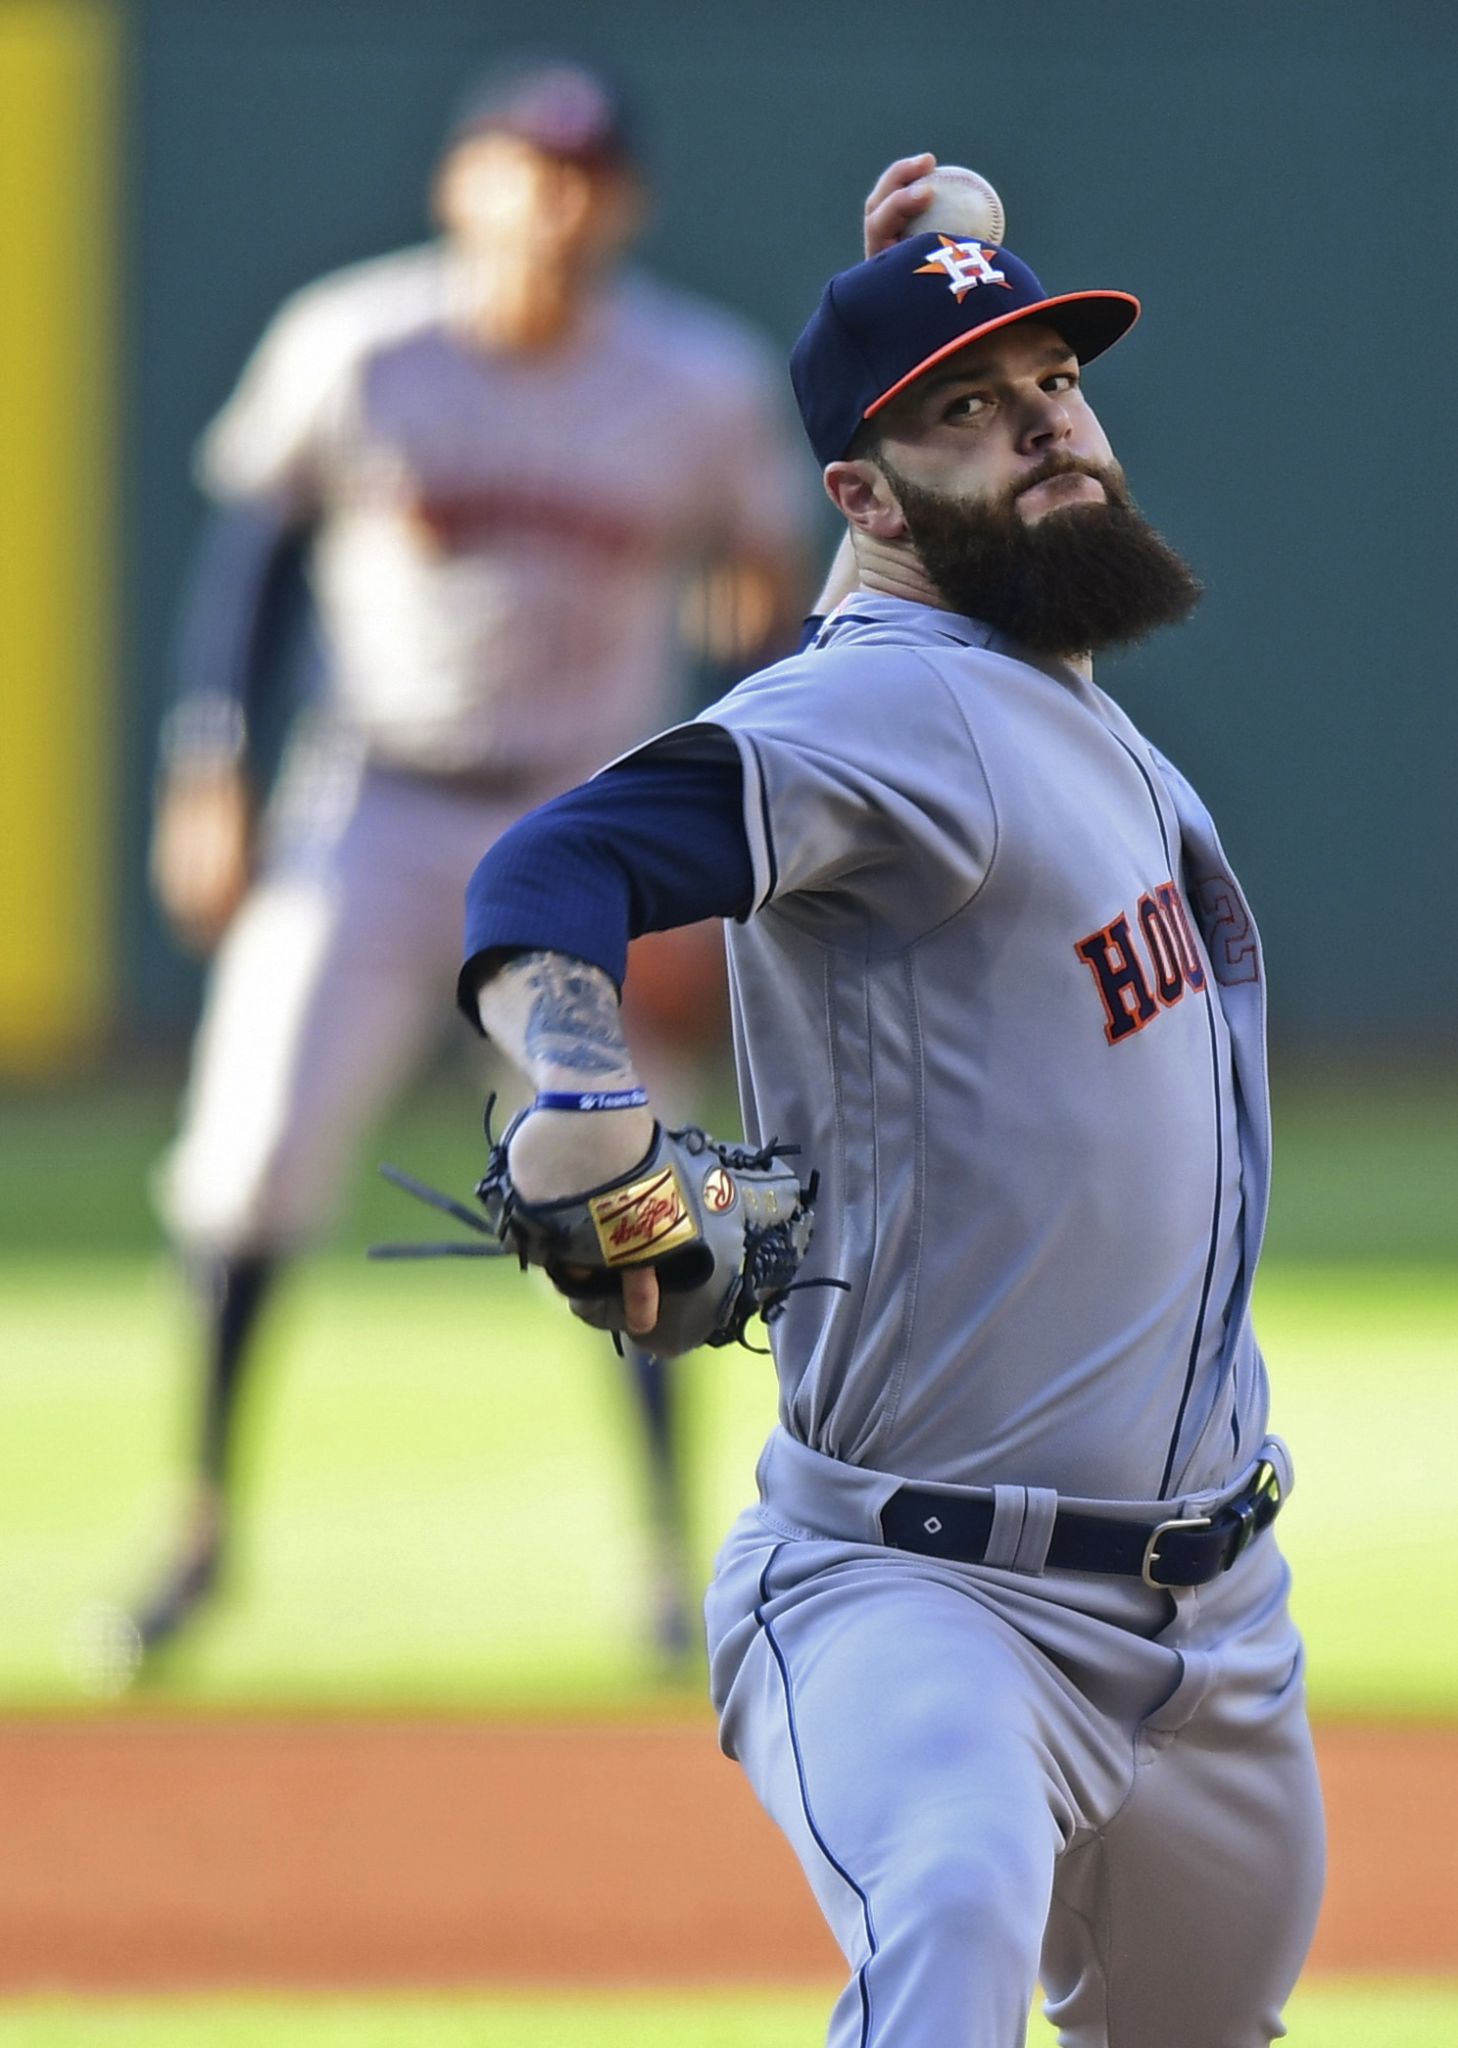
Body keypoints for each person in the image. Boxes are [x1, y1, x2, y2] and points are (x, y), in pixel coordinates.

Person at [449, 154, 1325, 2044]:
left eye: (1054, 387)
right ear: (861, 499)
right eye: (968, 413)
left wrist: (936, 292)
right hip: (919, 1596)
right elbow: (550, 872)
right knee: (943, 1919)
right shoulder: (891, 709)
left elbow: (946, 503)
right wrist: (582, 1099)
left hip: (1214, 1626)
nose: (1046, 429)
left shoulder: (1051, 696)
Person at [133, 55, 814, 1666]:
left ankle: (664, 1566)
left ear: (621, 202)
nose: (550, 202)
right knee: (244, 1165)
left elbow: (767, 593)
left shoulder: (694, 382)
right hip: (368, 811)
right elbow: (257, 558)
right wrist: (205, 768)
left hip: (579, 823)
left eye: (580, 174)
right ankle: (195, 1529)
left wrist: (719, 857)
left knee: (618, 1175)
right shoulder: (360, 340)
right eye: (522, 168)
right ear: (463, 187)